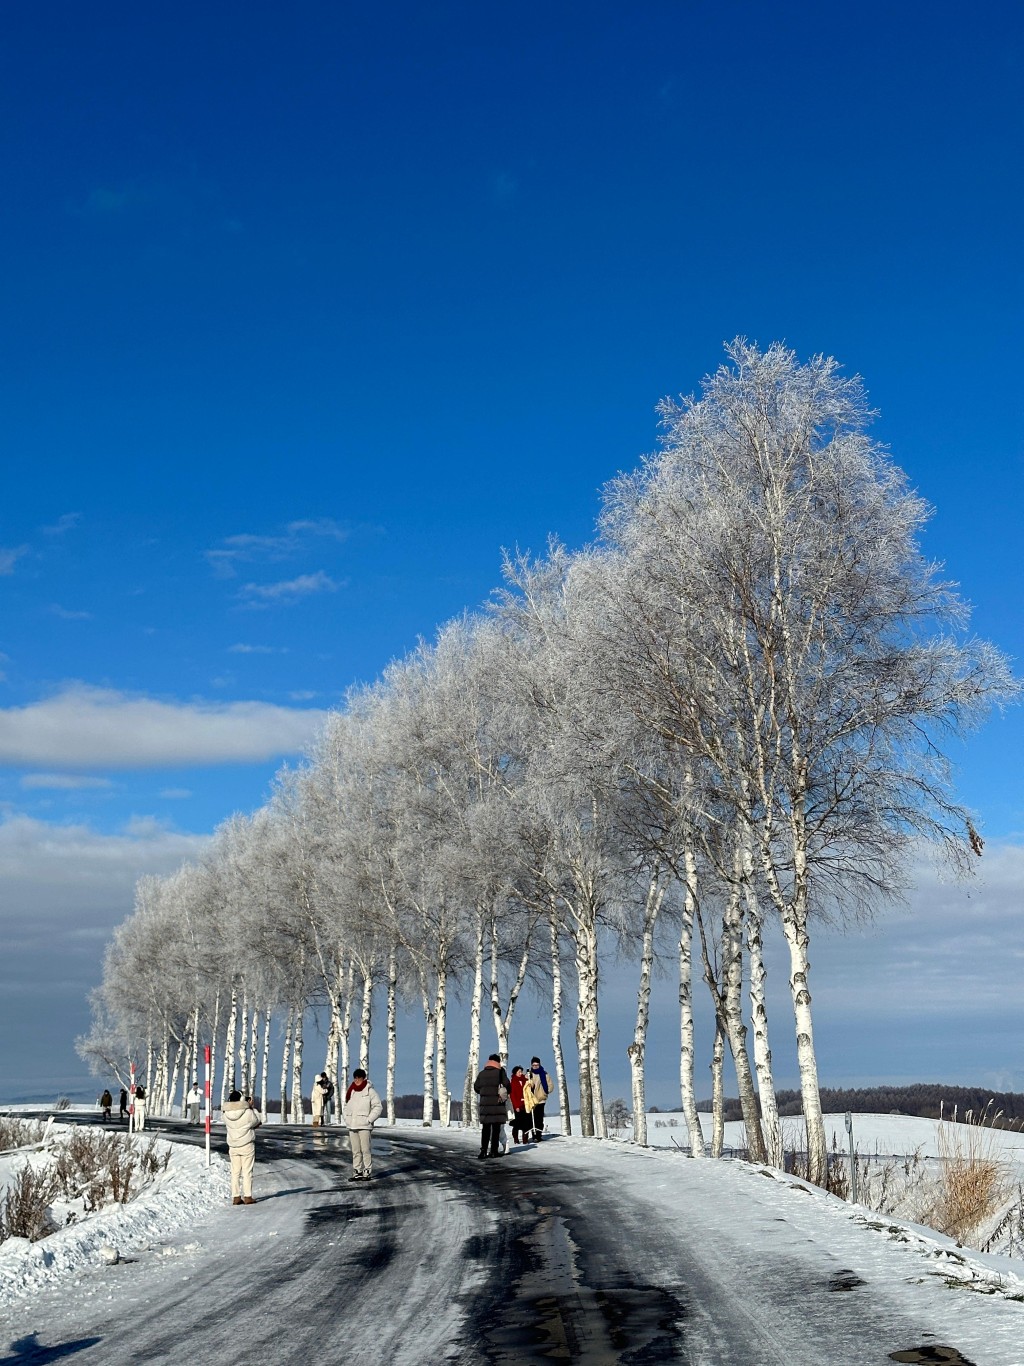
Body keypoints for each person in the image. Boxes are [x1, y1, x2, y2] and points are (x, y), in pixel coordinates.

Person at [343, 1068, 382, 1181]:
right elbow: (346, 1106)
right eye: (355, 1078)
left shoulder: (370, 1091)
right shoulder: (351, 1091)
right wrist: (347, 1118)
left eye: (359, 1078)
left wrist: (369, 1119)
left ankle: (367, 1171)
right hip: (352, 1125)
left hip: (364, 1126)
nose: (356, 1080)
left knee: (365, 1150)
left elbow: (378, 1107)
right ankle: (357, 1171)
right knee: (355, 1150)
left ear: (363, 1078)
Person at [223, 1090, 262, 1204]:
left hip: (233, 1146)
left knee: (235, 1172)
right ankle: (248, 1196)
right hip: (246, 1145)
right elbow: (257, 1121)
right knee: (247, 1171)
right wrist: (251, 1107)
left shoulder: (225, 1114)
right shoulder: (248, 1113)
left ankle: (236, 1196)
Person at [473, 1053, 510, 1159]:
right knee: (496, 1128)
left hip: (485, 1105)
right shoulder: (500, 1072)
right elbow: (507, 1085)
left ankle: (483, 1151)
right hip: (497, 1104)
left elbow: (476, 1088)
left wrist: (485, 1092)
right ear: (498, 1062)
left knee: (486, 1129)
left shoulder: (482, 1073)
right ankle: (494, 1151)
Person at [525, 1057, 552, 1141]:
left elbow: (550, 1085)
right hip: (532, 1099)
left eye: (537, 1065)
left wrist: (546, 1091)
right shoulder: (529, 1075)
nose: (535, 1066)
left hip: (541, 1099)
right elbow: (527, 1085)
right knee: (532, 1118)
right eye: (534, 1065)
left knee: (539, 1118)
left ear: (539, 1064)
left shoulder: (545, 1074)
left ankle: (539, 1135)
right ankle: (534, 1134)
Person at [508, 1066, 530, 1145]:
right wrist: (516, 1106)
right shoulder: (513, 1082)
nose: (521, 1073)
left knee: (526, 1123)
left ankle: (525, 1139)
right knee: (517, 1123)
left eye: (521, 1072)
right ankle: (516, 1139)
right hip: (517, 1105)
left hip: (526, 1104)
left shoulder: (525, 1080)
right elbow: (512, 1095)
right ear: (515, 1073)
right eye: (519, 1072)